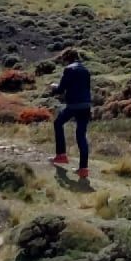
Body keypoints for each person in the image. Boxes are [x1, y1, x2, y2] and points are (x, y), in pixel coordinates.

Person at [48, 47, 91, 178]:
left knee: (58, 123)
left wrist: (53, 86)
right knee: (81, 135)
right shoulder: (85, 69)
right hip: (86, 105)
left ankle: (61, 155)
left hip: (74, 105)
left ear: (67, 58)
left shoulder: (69, 69)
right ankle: (83, 169)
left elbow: (61, 89)